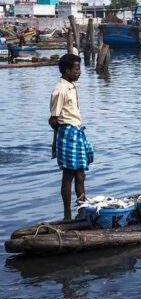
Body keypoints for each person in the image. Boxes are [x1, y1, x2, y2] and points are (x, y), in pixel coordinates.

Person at [49, 54, 94, 220]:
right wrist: (55, 144)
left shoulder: (71, 86)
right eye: (76, 69)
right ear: (67, 70)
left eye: (79, 68)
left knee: (80, 174)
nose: (79, 72)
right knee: (68, 174)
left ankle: (82, 210)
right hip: (67, 133)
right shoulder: (59, 90)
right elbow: (54, 120)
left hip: (76, 131)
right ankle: (67, 215)